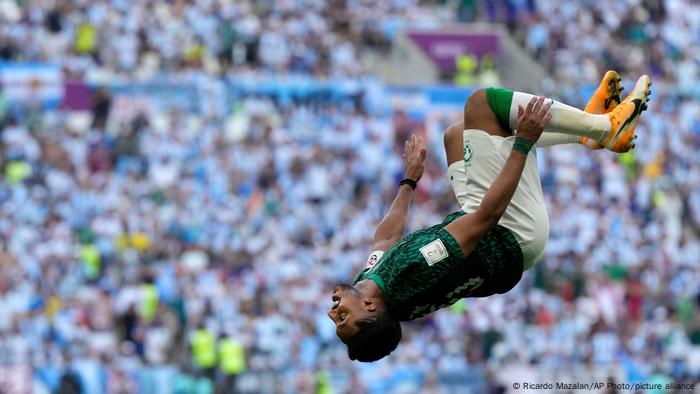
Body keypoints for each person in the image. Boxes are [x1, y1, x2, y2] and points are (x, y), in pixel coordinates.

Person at [327, 72, 652, 362]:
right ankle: (604, 128)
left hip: (492, 240)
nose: (333, 312)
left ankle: (583, 134)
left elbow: (385, 239)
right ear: (370, 307)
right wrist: (522, 144)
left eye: (335, 318)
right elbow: (487, 216)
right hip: (511, 231)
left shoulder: (369, 288)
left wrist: (409, 181)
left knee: (458, 135)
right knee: (483, 106)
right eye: (342, 318)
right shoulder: (413, 270)